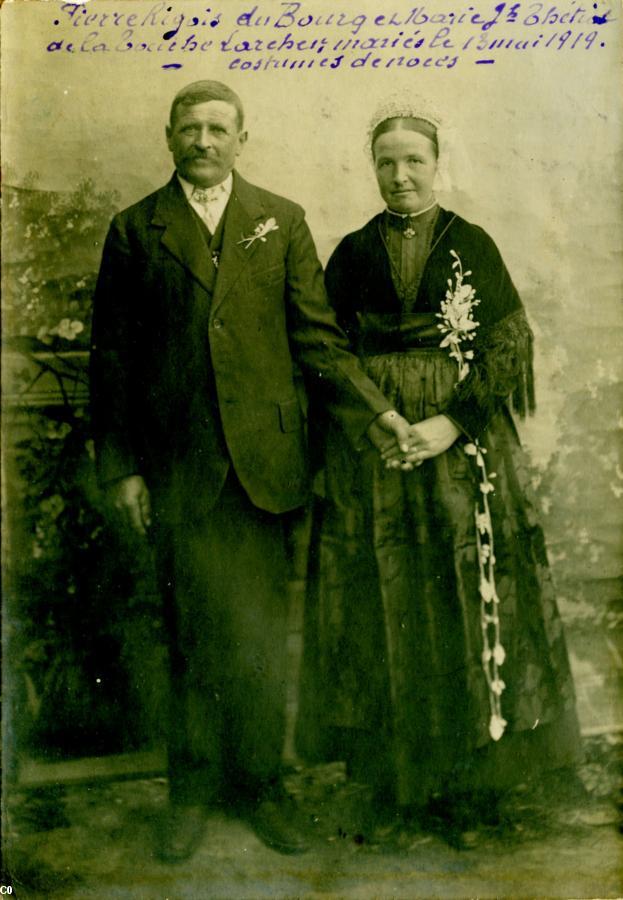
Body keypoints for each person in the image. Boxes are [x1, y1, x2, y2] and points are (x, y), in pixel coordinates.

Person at [89, 80, 412, 862]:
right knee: (192, 634)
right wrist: (123, 470)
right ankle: (192, 793)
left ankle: (262, 787)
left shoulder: (281, 219)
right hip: (180, 465)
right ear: (169, 137)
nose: (203, 141)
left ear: (242, 138)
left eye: (217, 129)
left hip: (266, 464)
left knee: (263, 633)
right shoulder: (136, 230)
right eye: (189, 129)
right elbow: (114, 363)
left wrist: (378, 414)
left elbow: (317, 341)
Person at [296, 94, 581, 847]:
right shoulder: (352, 251)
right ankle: (397, 789)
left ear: (435, 165)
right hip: (379, 457)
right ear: (373, 170)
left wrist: (448, 424)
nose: (399, 177)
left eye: (412, 161)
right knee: (385, 604)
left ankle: (475, 790)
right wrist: (379, 423)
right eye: (384, 163)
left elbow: (507, 347)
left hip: (459, 454)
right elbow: (326, 354)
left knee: (463, 597)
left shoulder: (471, 245)